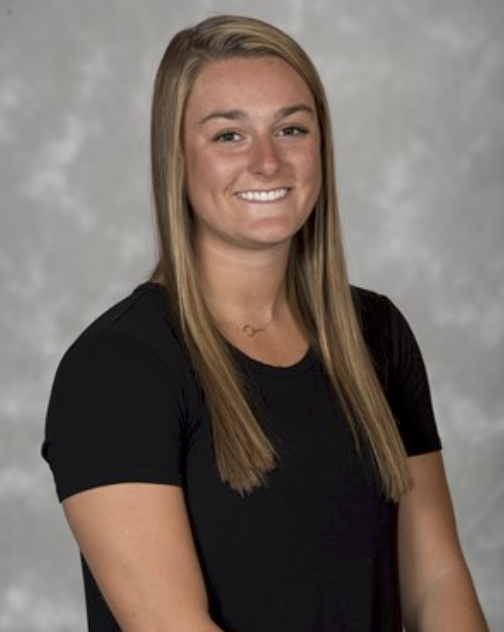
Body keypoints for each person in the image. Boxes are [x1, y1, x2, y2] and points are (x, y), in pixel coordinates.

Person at [41, 14, 489, 632]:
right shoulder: (116, 368)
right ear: (176, 157)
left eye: (291, 129)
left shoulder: (376, 333)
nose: (268, 161)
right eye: (229, 135)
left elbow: (436, 582)